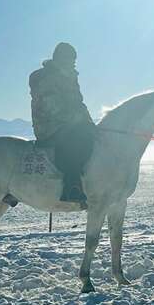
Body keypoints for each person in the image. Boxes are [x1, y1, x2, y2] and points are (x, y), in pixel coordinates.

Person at [29, 42, 97, 204]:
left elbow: (79, 104)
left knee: (90, 134)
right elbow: (49, 104)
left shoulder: (70, 77)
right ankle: (72, 185)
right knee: (77, 140)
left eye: (74, 60)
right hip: (49, 125)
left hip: (68, 123)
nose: (73, 62)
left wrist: (89, 122)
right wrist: (75, 118)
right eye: (70, 59)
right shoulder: (46, 78)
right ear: (60, 58)